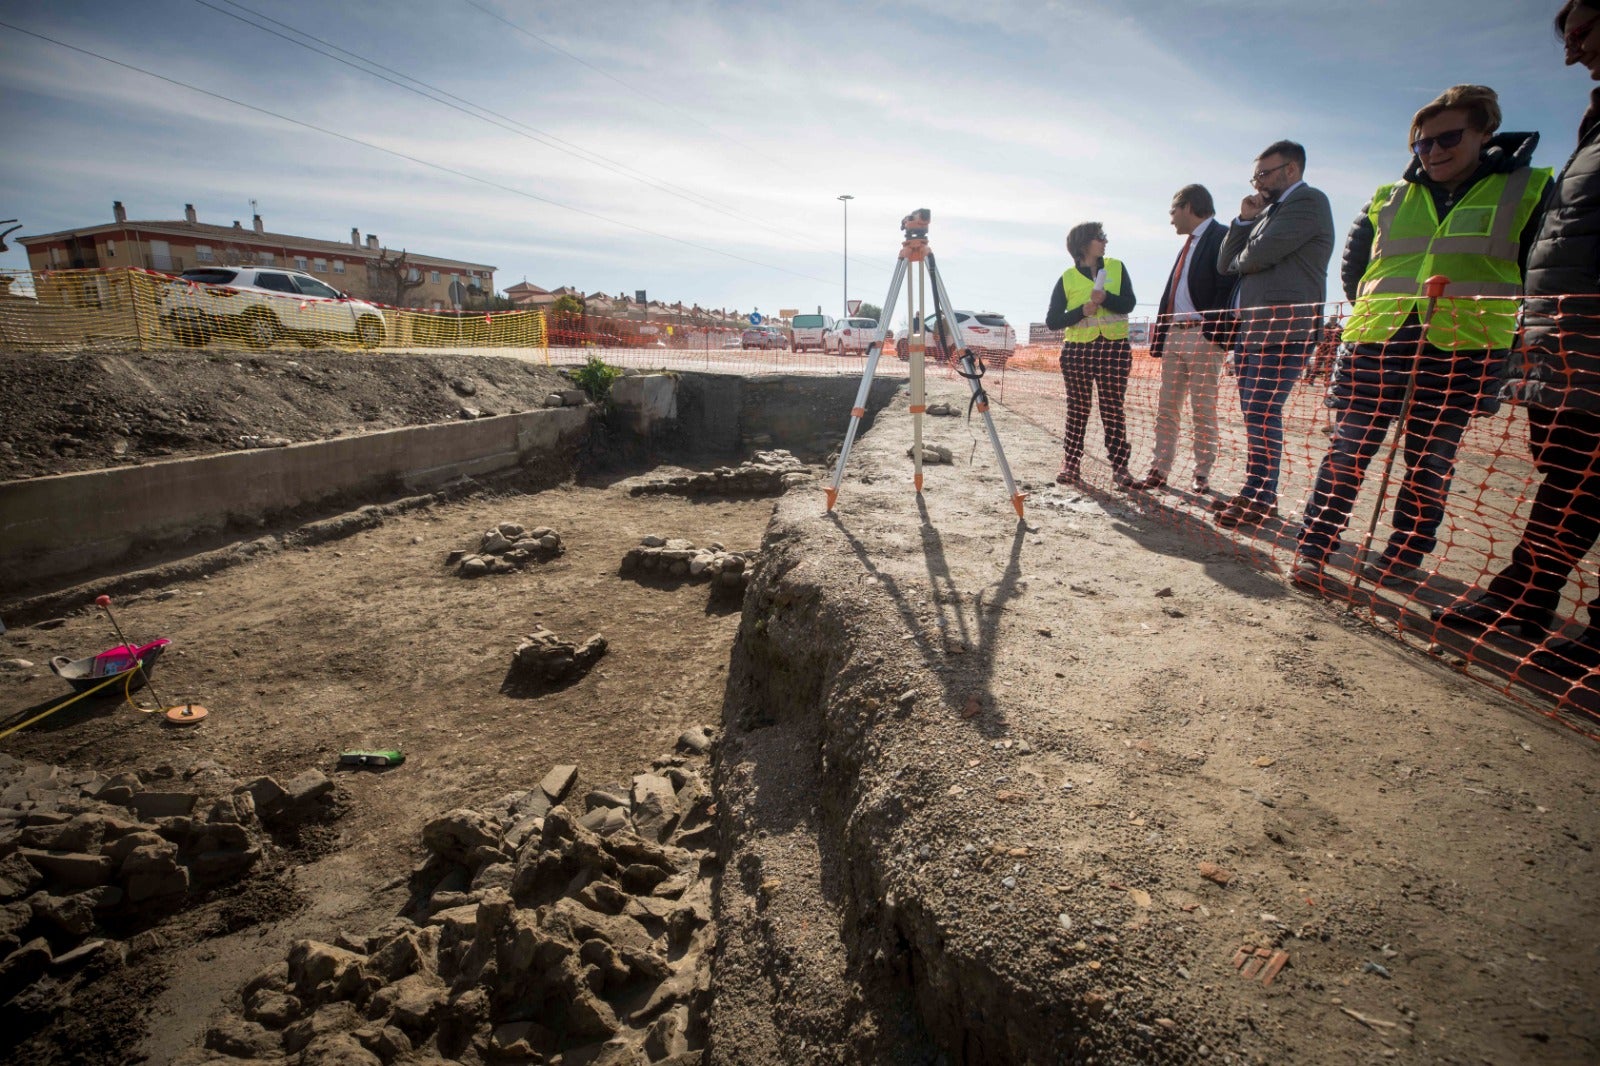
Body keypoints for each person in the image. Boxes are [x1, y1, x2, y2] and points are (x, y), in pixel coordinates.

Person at [1293, 86, 1551, 589]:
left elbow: (1540, 267)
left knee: (1430, 462)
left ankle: (1404, 554)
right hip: (1377, 341)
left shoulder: (1529, 188)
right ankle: (1314, 545)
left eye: (1447, 138)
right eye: (1422, 143)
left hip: (1464, 347)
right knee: (1347, 450)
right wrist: (1386, 308)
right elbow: (1355, 269)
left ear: (1485, 132)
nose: (1432, 151)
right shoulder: (1389, 196)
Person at [1434, 0, 1600, 691]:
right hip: (1569, 337)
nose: (1570, 51)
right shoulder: (1593, 127)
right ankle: (1526, 597)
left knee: (1579, 477)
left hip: (1583, 331)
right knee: (1570, 476)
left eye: (1582, 32)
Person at [1213, 141, 1336, 529]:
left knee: (1262, 411)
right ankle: (1257, 492)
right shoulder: (1268, 213)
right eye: (1255, 177)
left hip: (1284, 329)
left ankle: (1259, 495)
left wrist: (1246, 254)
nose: (1258, 183)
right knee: (1254, 413)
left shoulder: (1308, 202)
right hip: (1253, 330)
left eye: (1264, 174)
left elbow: (1257, 256)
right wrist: (1244, 221)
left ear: (1292, 170)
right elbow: (1225, 264)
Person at [1143, 184, 1235, 495]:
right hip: (1175, 335)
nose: (1171, 219)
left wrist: (1213, 333)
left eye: (1173, 211)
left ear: (1188, 206)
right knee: (1167, 407)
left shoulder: (1222, 237)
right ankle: (1159, 469)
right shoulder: (1187, 246)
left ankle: (1202, 473)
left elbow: (1227, 288)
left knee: (1202, 408)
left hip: (1202, 336)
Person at [1045, 222, 1138, 487]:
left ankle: (1120, 467)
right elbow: (1053, 321)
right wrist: (1081, 312)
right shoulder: (1067, 278)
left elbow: (1129, 303)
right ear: (1084, 244)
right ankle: (1071, 463)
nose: (1105, 241)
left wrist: (1104, 298)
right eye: (1100, 237)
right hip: (1078, 352)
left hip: (1114, 350)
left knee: (1113, 409)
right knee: (1078, 408)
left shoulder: (1117, 267)